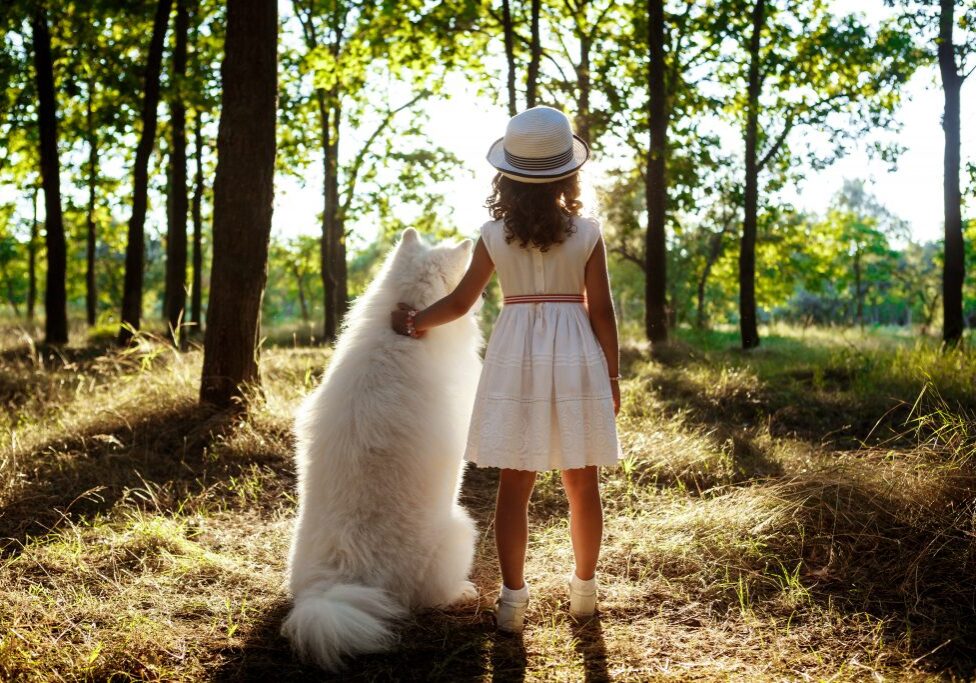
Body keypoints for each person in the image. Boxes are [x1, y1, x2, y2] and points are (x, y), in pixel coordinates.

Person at [391, 105, 622, 633]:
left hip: (515, 354)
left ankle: (512, 601)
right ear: (568, 172)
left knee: (514, 484)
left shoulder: (493, 235)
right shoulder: (586, 233)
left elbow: (460, 302)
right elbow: (603, 312)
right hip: (575, 355)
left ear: (508, 176)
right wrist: (612, 375)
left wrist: (414, 321)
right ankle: (584, 592)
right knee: (582, 481)